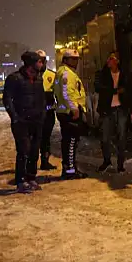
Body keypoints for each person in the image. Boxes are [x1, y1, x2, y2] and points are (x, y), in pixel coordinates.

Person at [3, 51, 46, 193]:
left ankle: (31, 178)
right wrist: (14, 117)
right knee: (24, 150)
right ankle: (20, 181)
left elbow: (42, 98)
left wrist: (42, 114)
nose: (42, 64)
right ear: (31, 64)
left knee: (35, 150)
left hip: (36, 121)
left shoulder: (39, 79)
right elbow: (7, 99)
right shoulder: (14, 78)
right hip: (21, 122)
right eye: (39, 62)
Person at [94, 52, 132, 174]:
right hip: (107, 109)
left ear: (117, 61)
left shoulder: (125, 74)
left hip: (121, 109)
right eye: (108, 59)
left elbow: (130, 92)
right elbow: (97, 87)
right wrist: (114, 91)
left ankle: (120, 164)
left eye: (111, 59)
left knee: (122, 137)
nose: (108, 61)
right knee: (105, 137)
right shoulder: (102, 74)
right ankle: (106, 161)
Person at [53, 49, 87, 179]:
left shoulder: (61, 72)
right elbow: (67, 93)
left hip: (63, 111)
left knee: (68, 141)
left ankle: (68, 169)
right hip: (69, 112)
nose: (75, 61)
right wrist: (75, 109)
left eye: (77, 59)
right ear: (65, 60)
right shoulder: (67, 74)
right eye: (72, 59)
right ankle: (70, 171)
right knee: (72, 141)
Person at [37, 49, 57, 171]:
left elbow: (58, 94)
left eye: (42, 60)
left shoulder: (52, 75)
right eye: (38, 60)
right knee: (35, 139)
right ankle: (31, 164)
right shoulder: (30, 75)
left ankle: (45, 161)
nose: (40, 63)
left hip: (48, 113)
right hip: (35, 114)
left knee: (46, 138)